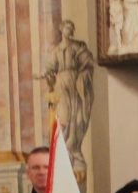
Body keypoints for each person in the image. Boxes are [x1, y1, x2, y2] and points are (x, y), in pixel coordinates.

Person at [37, 20, 95, 177]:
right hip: (61, 84)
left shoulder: (78, 47)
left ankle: (73, 149)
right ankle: (63, 150)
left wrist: (82, 76)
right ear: (61, 29)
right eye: (67, 28)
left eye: (71, 28)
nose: (69, 30)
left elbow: (88, 62)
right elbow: (49, 67)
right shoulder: (56, 50)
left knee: (77, 117)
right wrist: (44, 74)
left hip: (75, 83)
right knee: (64, 115)